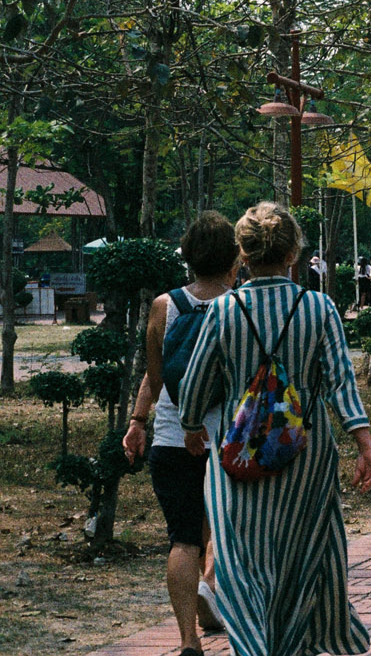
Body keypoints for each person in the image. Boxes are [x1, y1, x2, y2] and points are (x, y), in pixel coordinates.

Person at [177, 202, 371, 656]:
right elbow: (341, 381)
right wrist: (364, 443)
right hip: (307, 457)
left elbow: (195, 382)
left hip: (239, 458)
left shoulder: (225, 310)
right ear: (294, 255)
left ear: (242, 256)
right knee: (299, 559)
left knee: (241, 562)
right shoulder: (319, 307)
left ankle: (253, 646)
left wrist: (191, 426)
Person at [124, 211, 238, 656]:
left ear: (187, 258)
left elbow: (155, 377)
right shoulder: (240, 304)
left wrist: (137, 422)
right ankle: (213, 590)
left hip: (173, 437)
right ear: (234, 260)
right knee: (225, 527)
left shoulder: (164, 306)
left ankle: (189, 638)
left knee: (183, 538)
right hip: (228, 438)